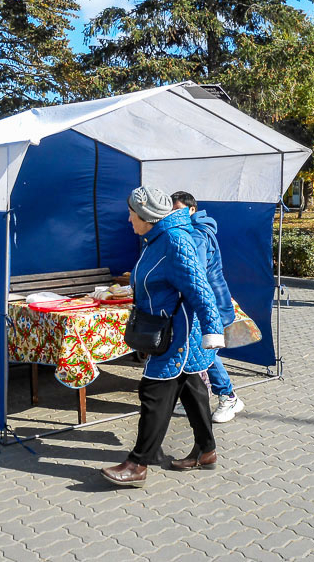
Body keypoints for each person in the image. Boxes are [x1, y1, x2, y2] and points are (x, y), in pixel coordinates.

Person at [100, 186, 225, 487]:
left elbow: (199, 288)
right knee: (193, 390)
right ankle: (206, 451)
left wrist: (213, 329)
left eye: (131, 213)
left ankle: (138, 464)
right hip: (172, 331)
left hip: (175, 336)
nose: (128, 218)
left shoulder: (174, 241)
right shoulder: (157, 238)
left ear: (145, 215)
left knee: (153, 394)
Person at [170, 191, 245, 423]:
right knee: (194, 351)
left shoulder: (198, 234)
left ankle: (228, 396)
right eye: (171, 209)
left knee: (206, 351)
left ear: (192, 210)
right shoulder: (187, 232)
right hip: (198, 303)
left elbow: (195, 273)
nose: (173, 213)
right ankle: (194, 399)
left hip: (207, 304)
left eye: (178, 209)